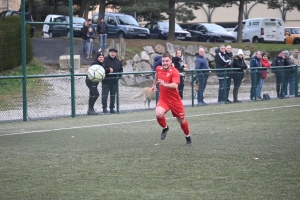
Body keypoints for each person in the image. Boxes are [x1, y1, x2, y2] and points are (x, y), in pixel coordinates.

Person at [151, 51, 192, 145]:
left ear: (170, 62)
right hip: (164, 99)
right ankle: (165, 128)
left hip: (175, 101)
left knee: (181, 121)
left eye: (167, 61)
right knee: (158, 113)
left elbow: (174, 85)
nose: (165, 63)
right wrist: (154, 85)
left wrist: (164, 84)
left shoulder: (175, 71)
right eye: (163, 61)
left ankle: (188, 137)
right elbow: (157, 75)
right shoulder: (159, 68)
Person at [102, 48, 123, 114]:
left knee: (113, 95)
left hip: (114, 82)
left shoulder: (118, 61)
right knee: (104, 95)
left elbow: (121, 71)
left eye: (114, 52)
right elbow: (101, 69)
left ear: (116, 53)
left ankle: (112, 108)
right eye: (111, 52)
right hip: (106, 81)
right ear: (109, 53)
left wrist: (118, 78)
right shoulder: (104, 60)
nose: (113, 54)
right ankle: (104, 108)